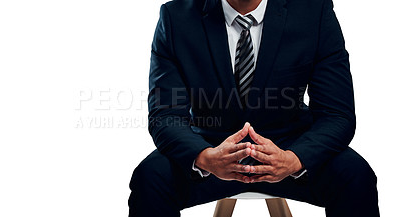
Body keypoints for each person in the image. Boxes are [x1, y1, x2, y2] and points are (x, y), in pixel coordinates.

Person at [128, 0, 380, 216]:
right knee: (150, 177)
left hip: (290, 145)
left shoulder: (314, 12)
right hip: (210, 145)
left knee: (355, 175)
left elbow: (337, 114)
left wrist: (293, 159)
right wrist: (205, 158)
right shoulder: (176, 17)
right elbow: (165, 116)